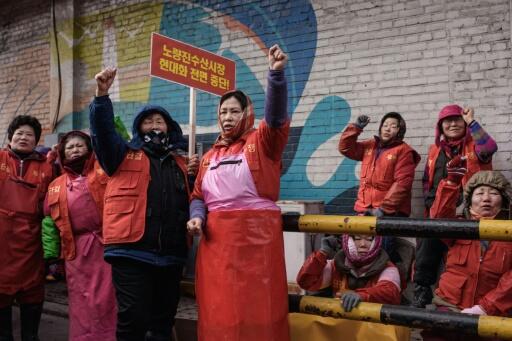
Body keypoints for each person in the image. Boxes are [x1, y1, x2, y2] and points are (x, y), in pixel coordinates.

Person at [186, 44, 289, 341]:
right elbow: (198, 197)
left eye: (234, 111)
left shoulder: (264, 142)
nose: (227, 117)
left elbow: (277, 117)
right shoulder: (208, 157)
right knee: (218, 313)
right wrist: (196, 217)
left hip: (258, 244)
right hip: (215, 245)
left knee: (260, 313)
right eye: (223, 112)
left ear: (247, 113)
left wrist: (276, 76)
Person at [89, 67, 199, 341]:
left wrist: (195, 174)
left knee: (162, 323)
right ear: (139, 129)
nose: (154, 126)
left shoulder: (182, 164)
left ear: (169, 129)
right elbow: (103, 133)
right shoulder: (121, 155)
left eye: (159, 121)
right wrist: (101, 96)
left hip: (172, 255)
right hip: (131, 252)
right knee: (133, 321)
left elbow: (197, 198)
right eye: (148, 121)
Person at [413, 105, 497, 308]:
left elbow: (489, 148)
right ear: (440, 127)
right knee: (428, 235)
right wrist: (430, 204)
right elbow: (428, 181)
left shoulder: (475, 144)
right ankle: (422, 289)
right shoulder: (435, 150)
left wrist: (472, 122)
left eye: (457, 120)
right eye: (447, 121)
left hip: (472, 211)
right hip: (442, 208)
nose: (452, 124)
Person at [421, 165, 511, 341]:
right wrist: (450, 182)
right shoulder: (458, 227)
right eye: (480, 193)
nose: (486, 198)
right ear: (469, 201)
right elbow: (439, 218)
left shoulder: (510, 233)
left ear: (504, 201)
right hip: (448, 307)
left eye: (493, 193)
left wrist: (486, 308)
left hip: (492, 313)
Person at [43, 131, 116, 340]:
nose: (75, 150)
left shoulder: (104, 172)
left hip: (105, 246)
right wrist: (51, 255)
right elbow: (48, 219)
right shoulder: (56, 184)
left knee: (106, 300)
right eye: (70, 147)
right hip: (75, 252)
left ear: (89, 149)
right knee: (80, 301)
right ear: (62, 154)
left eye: (79, 146)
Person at [338, 112, 420, 284]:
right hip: (363, 208)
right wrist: (356, 128)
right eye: (385, 124)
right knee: (355, 250)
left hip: (387, 213)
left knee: (381, 252)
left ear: (400, 130)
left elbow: (402, 183)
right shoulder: (370, 146)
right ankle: (359, 288)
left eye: (393, 125)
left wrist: (383, 210)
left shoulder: (404, 151)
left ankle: (386, 287)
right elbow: (345, 147)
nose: (388, 128)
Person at [0, 115, 55, 341]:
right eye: (19, 133)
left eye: (29, 134)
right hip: (2, 243)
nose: (23, 137)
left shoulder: (48, 167)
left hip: (32, 244)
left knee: (32, 299)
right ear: (10, 138)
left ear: (36, 141)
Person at [297, 234, 401, 308]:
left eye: (369, 239)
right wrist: (322, 254)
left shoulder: (388, 268)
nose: (363, 244)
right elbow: (306, 282)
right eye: (357, 238)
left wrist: (361, 296)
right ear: (347, 240)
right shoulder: (336, 264)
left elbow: (390, 293)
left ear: (377, 242)